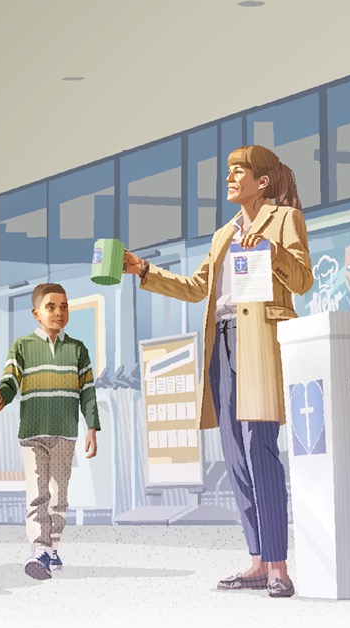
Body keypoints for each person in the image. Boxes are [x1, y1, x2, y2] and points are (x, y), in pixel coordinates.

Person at [121, 144, 312, 598]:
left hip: (260, 341)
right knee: (234, 452)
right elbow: (198, 287)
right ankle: (256, 559)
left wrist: (268, 249)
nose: (229, 178)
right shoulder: (223, 233)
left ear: (261, 181)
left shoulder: (284, 220)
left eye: (237, 171)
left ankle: (279, 567)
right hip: (222, 342)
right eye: (227, 171)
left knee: (259, 446)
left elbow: (303, 280)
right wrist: (144, 269)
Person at [0, 283, 99, 580]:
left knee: (59, 496)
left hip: (65, 432)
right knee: (37, 494)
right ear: (36, 313)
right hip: (33, 432)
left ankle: (52, 547)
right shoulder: (23, 346)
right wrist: (0, 396)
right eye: (51, 306)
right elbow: (9, 381)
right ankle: (38, 549)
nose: (59, 312)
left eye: (64, 306)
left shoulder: (77, 349)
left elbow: (87, 391)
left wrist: (92, 426)